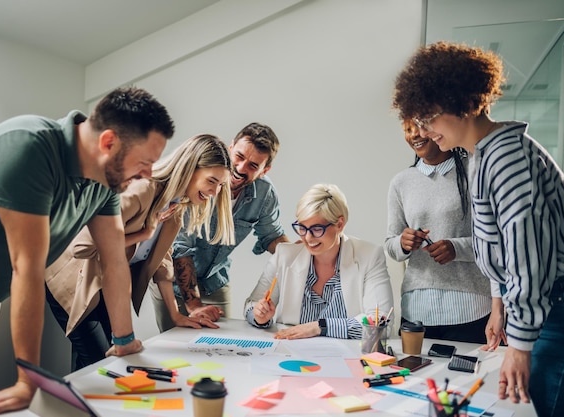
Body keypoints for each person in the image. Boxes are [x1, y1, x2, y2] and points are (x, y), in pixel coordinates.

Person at [0, 86, 175, 417]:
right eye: (145, 162)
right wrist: (28, 379)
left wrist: (124, 338)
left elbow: (113, 263)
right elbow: (27, 267)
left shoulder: (104, 182)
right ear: (109, 142)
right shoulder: (27, 146)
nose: (149, 174)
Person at [393, 41, 564, 417]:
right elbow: (497, 246)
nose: (423, 130)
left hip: (560, 305)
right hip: (544, 303)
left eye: (428, 117)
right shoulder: (482, 157)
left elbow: (528, 259)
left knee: (547, 404)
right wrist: (501, 304)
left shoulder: (506, 160)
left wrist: (520, 347)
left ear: (461, 104)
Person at [45, 134, 235, 370]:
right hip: (75, 279)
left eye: (221, 185)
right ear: (190, 168)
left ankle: (77, 406)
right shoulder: (143, 189)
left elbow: (162, 261)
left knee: (93, 367)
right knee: (99, 365)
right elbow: (84, 245)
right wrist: (144, 234)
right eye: (212, 181)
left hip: (106, 286)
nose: (215, 192)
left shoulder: (176, 205)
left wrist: (176, 315)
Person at [150, 122, 289, 332]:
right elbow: (181, 248)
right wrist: (194, 306)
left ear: (264, 170)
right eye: (239, 157)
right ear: (230, 148)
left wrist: (303, 255)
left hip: (215, 280)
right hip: (174, 283)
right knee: (178, 344)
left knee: (219, 344)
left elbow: (272, 236)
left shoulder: (264, 193)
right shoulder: (197, 183)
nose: (241, 169)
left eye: (253, 165)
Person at [385, 119, 491, 343]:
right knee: (414, 376)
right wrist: (403, 243)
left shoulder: (475, 171)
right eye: (407, 129)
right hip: (417, 308)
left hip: (471, 305)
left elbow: (497, 239)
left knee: (466, 377)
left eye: (420, 126)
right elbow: (390, 244)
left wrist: (457, 248)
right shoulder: (401, 182)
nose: (414, 134)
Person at [243, 183, 393, 340]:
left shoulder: (370, 256)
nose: (308, 238)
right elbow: (252, 304)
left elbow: (382, 323)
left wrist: (319, 327)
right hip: (291, 355)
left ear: (340, 224)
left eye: (316, 229)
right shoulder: (285, 255)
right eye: (302, 228)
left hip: (346, 357)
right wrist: (259, 316)